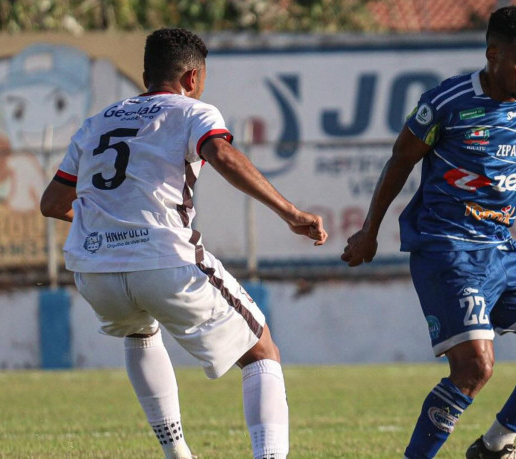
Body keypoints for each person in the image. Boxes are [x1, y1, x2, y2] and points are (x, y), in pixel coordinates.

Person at [40, 28, 328, 459]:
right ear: (192, 78)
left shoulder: (97, 121)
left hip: (94, 268)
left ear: (145, 75)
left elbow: (52, 203)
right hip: (163, 260)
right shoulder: (193, 111)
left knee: (138, 332)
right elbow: (223, 155)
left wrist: (106, 223)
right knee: (261, 349)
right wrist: (291, 212)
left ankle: (178, 454)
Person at [341, 5, 516, 459]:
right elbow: (401, 159)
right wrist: (369, 230)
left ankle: (495, 446)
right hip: (448, 247)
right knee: (475, 367)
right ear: (492, 53)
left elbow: (511, 158)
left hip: (502, 248)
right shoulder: (446, 102)